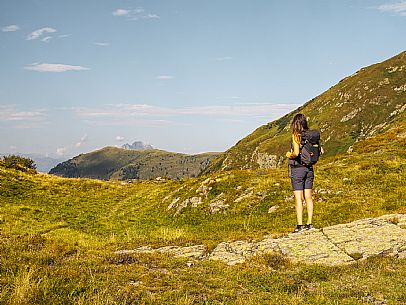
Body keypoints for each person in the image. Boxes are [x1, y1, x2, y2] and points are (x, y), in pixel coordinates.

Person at [285, 113, 317, 233]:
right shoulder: (311, 136)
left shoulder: (295, 136)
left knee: (298, 198)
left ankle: (299, 225)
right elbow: (321, 150)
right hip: (309, 169)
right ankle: (310, 223)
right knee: (308, 197)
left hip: (297, 170)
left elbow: (296, 152)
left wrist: (290, 154)